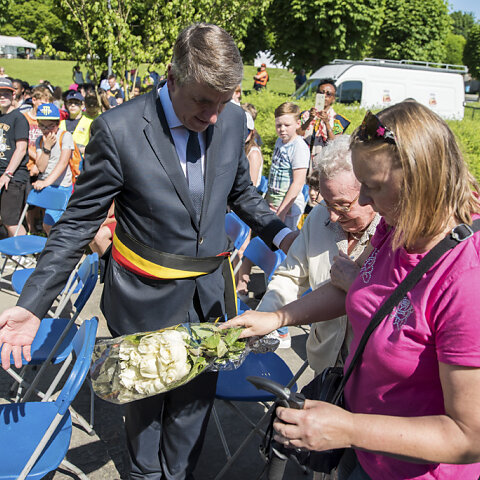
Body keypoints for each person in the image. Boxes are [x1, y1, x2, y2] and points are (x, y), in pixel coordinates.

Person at [0, 23, 296, 480]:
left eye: (223, 102)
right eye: (203, 101)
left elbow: (241, 192)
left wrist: (284, 236)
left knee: (191, 421)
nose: (213, 116)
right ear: (173, 78)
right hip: (144, 303)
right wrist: (33, 303)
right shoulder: (118, 130)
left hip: (210, 303)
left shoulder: (233, 120)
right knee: (146, 426)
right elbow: (77, 224)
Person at [224, 101, 480, 479]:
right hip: (365, 451)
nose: (366, 201)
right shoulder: (398, 226)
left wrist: (348, 428)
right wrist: (275, 317)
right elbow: (355, 291)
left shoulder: (466, 276)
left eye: (372, 187)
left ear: (419, 179)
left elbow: (469, 436)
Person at [259, 135, 379, 363]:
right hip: (323, 360)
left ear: (370, 190)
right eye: (327, 203)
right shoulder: (318, 217)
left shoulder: (395, 232)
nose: (332, 216)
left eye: (342, 205)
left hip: (369, 367)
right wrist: (264, 318)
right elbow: (291, 276)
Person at [266, 101, 309, 230]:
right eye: (278, 125)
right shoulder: (280, 141)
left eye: (287, 125)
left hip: (289, 209)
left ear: (298, 124)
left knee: (285, 239)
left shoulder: (299, 147)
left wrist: (282, 212)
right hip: (274, 204)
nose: (282, 129)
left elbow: (298, 183)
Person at [33, 103, 73, 235]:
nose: (46, 130)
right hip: (47, 186)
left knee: (48, 224)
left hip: (61, 187)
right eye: (42, 126)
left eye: (51, 125)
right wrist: (46, 147)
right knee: (52, 224)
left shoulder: (65, 136)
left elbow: (63, 163)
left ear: (58, 124)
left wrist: (46, 182)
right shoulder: (40, 140)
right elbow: (41, 167)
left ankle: (58, 246)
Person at [0, 78, 29, 237]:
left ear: (13, 96)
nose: (2, 97)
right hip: (2, 173)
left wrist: (7, 174)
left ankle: (24, 251)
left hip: (14, 176)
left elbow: (21, 149)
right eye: (0, 94)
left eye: (6, 93)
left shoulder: (19, 118)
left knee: (11, 221)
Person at [299, 80, 350, 167]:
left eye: (328, 94)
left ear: (333, 98)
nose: (324, 96)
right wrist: (310, 119)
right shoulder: (304, 115)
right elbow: (297, 134)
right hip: (302, 160)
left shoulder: (338, 120)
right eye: (321, 93)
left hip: (323, 163)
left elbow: (334, 143)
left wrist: (327, 123)